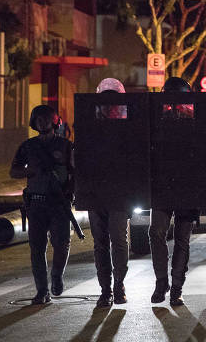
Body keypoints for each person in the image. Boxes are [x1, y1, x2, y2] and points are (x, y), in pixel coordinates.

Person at [10, 105, 74, 305]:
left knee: (61, 245)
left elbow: (75, 173)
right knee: (37, 249)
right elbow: (13, 171)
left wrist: (70, 192)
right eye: (38, 119)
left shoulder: (65, 145)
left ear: (55, 121)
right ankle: (42, 291)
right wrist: (30, 172)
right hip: (36, 204)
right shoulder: (28, 146)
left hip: (59, 204)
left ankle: (56, 275)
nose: (42, 122)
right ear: (33, 122)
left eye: (46, 119)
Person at [149, 77, 200, 306]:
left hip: (187, 186)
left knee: (182, 241)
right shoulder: (156, 119)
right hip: (162, 186)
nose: (175, 107)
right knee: (156, 232)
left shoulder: (195, 119)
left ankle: (176, 286)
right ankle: (162, 282)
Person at [89, 77, 131, 307]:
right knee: (101, 242)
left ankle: (118, 285)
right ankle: (106, 289)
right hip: (97, 190)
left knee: (117, 239)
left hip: (118, 190)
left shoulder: (128, 121)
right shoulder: (91, 120)